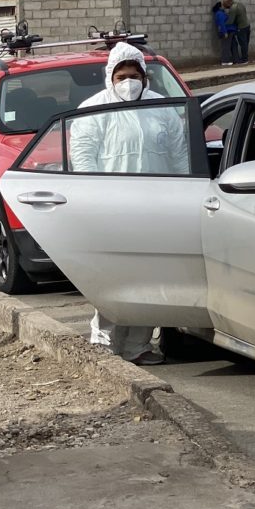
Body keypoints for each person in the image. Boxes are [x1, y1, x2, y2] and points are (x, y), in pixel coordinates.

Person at [69, 42, 190, 365]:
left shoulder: (162, 107)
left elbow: (179, 155)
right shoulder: (93, 110)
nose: (128, 82)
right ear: (110, 76)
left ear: (144, 77)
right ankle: (104, 343)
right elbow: (83, 160)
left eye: (134, 76)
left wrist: (184, 194)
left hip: (157, 208)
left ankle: (139, 345)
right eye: (121, 76)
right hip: (112, 209)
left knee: (150, 279)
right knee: (113, 280)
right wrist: (93, 202)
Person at [223, 0, 251, 65]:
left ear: (229, 3)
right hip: (247, 26)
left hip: (241, 28)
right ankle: (245, 58)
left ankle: (244, 60)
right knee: (246, 43)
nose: (225, 7)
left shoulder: (233, 8)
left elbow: (230, 21)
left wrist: (223, 25)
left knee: (243, 44)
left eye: (225, 5)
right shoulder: (240, 4)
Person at [212, 1, 237, 67]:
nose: (224, 6)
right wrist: (225, 32)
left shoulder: (221, 13)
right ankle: (225, 61)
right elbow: (222, 24)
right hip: (227, 31)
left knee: (231, 46)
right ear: (220, 7)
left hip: (229, 30)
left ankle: (233, 59)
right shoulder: (220, 14)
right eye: (223, 5)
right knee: (226, 47)